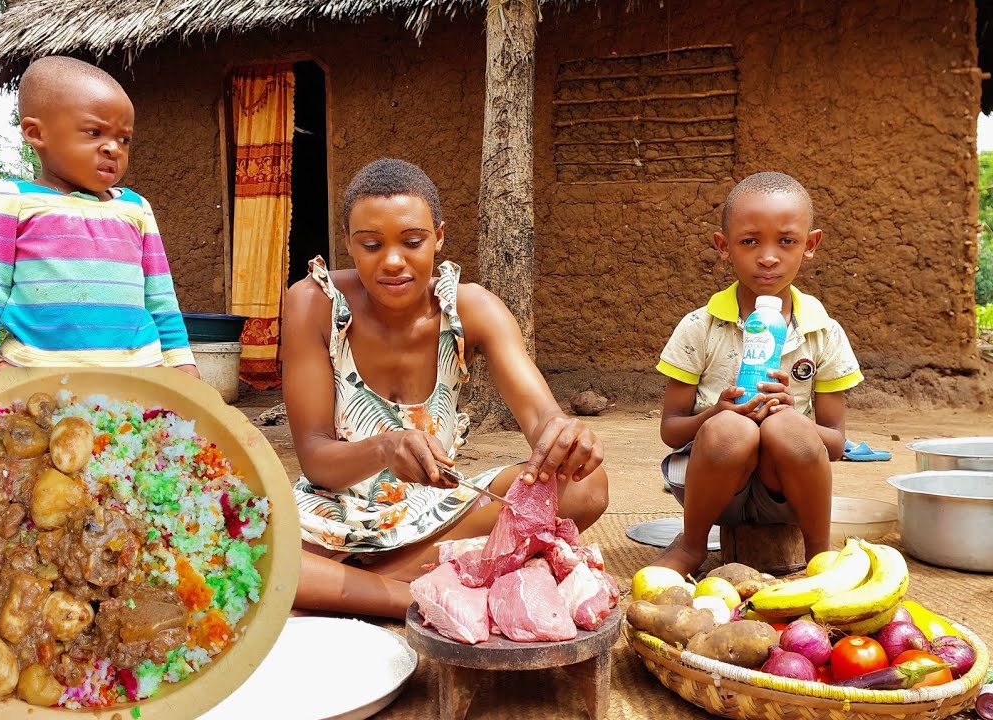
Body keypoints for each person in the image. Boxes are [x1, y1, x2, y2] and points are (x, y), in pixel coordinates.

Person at [284, 158, 609, 618]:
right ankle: (418, 597)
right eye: (371, 245)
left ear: (438, 236)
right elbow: (316, 457)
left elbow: (541, 418)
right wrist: (383, 448)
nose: (393, 261)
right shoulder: (314, 304)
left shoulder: (471, 308)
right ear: (349, 246)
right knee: (248, 550)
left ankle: (353, 591)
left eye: (412, 242)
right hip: (333, 515)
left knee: (585, 485)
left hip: (435, 513)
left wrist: (563, 435)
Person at [653, 171, 863, 576]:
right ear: (723, 247)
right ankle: (692, 545)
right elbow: (671, 429)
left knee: (787, 428)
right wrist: (714, 414)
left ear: (811, 245)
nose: (768, 256)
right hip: (712, 489)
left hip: (785, 492)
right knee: (733, 429)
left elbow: (835, 444)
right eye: (750, 241)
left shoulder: (823, 332)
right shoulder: (700, 326)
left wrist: (790, 416)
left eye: (786, 241)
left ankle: (821, 555)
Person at [0, 56, 199, 392]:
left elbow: (161, 296)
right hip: (34, 372)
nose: (113, 148)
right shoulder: (10, 199)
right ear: (37, 133)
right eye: (94, 132)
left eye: (124, 139)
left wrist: (181, 361)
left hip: (139, 372)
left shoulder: (136, 208)